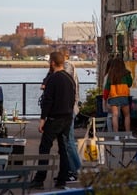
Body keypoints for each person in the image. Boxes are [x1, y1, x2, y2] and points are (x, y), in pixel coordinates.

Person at [30, 51, 75, 190]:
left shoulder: (53, 79)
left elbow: (47, 101)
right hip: (67, 117)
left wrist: (43, 119)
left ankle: (39, 179)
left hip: (54, 118)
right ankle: (62, 178)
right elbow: (73, 98)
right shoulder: (69, 78)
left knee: (44, 147)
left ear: (52, 63)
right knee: (63, 148)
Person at [60, 48, 81, 181]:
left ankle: (77, 170)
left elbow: (64, 82)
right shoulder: (70, 66)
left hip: (69, 108)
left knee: (69, 140)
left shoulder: (67, 66)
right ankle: (71, 169)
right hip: (71, 107)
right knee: (67, 140)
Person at [103, 57, 133, 132]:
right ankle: (127, 135)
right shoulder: (127, 73)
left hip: (114, 97)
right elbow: (129, 84)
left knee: (115, 116)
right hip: (124, 96)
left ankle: (116, 135)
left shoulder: (110, 74)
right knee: (127, 115)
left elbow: (107, 88)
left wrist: (105, 99)